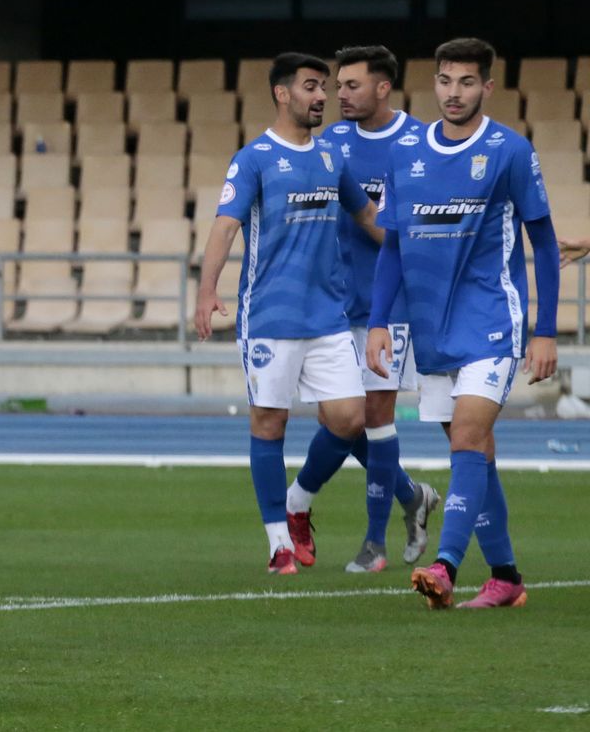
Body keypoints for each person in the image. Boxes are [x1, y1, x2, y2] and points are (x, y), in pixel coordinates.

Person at [365, 37, 558, 610]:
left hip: (492, 319)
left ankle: (444, 566)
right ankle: (506, 577)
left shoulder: (509, 151)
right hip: (432, 329)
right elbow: (392, 245)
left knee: (469, 438)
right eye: (446, 80)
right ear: (435, 82)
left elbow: (545, 243)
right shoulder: (405, 152)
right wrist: (378, 321)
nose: (454, 92)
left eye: (467, 82)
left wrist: (545, 330)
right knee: (476, 452)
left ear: (487, 87)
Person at [195, 53, 380, 575]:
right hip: (270, 316)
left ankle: (298, 500)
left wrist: (418, 248)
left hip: (327, 315)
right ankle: (278, 543)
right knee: (269, 422)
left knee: (349, 418)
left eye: (323, 87)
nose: (322, 96)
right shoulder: (252, 159)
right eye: (311, 86)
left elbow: (368, 214)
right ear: (283, 94)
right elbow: (225, 227)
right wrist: (206, 291)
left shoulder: (330, 158)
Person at [284, 46, 440, 574]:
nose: (340, 95)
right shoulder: (330, 144)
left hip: (389, 304)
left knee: (373, 416)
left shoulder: (419, 144)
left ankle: (373, 543)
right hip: (334, 303)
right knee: (341, 420)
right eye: (338, 86)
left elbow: (418, 226)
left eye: (351, 85)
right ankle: (412, 497)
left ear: (382, 87)